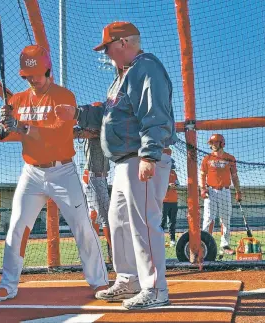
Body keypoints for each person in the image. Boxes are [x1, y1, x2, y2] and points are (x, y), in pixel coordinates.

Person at [55, 21, 177, 310]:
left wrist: (149, 155)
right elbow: (109, 116)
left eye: (108, 47)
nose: (106, 54)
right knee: (120, 224)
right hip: (123, 162)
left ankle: (155, 288)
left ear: (123, 43)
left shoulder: (146, 68)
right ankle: (129, 279)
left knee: (144, 225)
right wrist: (78, 113)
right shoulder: (123, 75)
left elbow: (154, 112)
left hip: (140, 158)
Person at [0, 44, 108, 302]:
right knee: (17, 226)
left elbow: (57, 134)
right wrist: (4, 123)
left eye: (35, 74)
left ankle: (99, 282)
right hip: (31, 173)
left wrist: (21, 125)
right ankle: (7, 286)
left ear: (47, 70)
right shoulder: (17, 100)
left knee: (82, 226)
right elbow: (0, 134)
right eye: (26, 76)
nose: (31, 79)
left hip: (62, 171)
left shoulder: (64, 96)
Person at [75, 104, 113, 263]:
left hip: (98, 177)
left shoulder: (105, 131)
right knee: (107, 216)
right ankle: (114, 252)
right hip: (92, 176)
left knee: (94, 215)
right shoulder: (91, 129)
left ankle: (89, 251)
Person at [200, 134, 242, 255]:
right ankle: (205, 244)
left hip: (225, 191)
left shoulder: (230, 158)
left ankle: (224, 246)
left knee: (225, 219)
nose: (212, 145)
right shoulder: (207, 158)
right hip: (211, 191)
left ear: (221, 143)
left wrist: (238, 191)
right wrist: (202, 188)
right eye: (211, 143)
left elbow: (234, 176)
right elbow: (202, 175)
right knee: (208, 219)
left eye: (214, 142)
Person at [161, 158, 180, 247]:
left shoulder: (173, 173)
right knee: (162, 221)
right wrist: (167, 185)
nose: (172, 164)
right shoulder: (161, 172)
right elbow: (158, 185)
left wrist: (175, 185)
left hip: (174, 201)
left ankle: (172, 240)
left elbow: (177, 183)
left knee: (172, 222)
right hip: (164, 201)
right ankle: (159, 239)